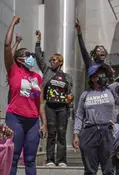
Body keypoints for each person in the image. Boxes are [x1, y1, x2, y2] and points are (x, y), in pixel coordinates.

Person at [4, 16, 46, 175]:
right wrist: (13, 23)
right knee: (13, 157)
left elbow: (40, 102)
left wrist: (44, 123)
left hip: (33, 121)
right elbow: (6, 46)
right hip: (16, 118)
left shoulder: (37, 76)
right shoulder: (13, 71)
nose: (30, 57)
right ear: (19, 58)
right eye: (27, 54)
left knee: (30, 159)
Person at [73, 63, 117, 175]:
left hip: (107, 131)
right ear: (92, 78)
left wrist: (115, 124)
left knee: (108, 168)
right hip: (89, 132)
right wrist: (76, 134)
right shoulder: (85, 95)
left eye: (103, 73)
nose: (102, 76)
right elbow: (79, 115)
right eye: (98, 73)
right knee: (90, 169)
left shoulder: (111, 90)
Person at [35, 29, 74, 167]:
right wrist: (38, 42)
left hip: (62, 107)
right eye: (50, 59)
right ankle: (50, 159)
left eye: (54, 59)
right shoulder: (47, 71)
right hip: (50, 106)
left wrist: (71, 101)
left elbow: (70, 93)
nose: (51, 61)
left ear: (60, 62)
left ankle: (62, 160)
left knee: (62, 133)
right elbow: (39, 58)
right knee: (51, 133)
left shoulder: (67, 77)